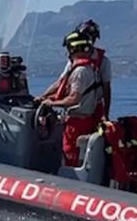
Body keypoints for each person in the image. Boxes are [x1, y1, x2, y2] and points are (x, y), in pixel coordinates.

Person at [35, 23, 111, 166]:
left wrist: (105, 115)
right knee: (83, 150)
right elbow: (61, 83)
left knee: (73, 152)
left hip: (84, 113)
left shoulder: (86, 67)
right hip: (88, 109)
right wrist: (43, 96)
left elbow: (77, 97)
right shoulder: (82, 64)